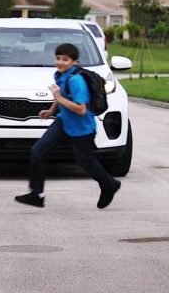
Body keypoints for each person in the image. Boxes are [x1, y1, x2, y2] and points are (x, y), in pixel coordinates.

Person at [15, 43, 120, 209]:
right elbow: (62, 96)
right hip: (64, 122)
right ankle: (37, 194)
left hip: (82, 128)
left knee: (85, 161)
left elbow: (81, 109)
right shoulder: (60, 75)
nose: (60, 62)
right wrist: (50, 111)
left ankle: (109, 184)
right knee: (38, 151)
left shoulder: (76, 80)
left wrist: (58, 97)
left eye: (65, 59)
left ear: (74, 61)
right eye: (58, 58)